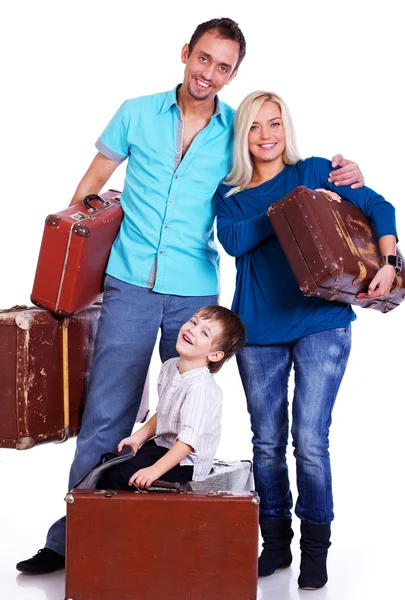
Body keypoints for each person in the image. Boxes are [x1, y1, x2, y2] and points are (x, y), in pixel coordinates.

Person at [16, 16, 364, 575]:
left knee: (187, 423)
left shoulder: (236, 133)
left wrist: (345, 174)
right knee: (108, 418)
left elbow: (276, 168)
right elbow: (88, 189)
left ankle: (159, 538)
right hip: (127, 285)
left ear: (232, 75)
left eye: (223, 67)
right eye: (203, 58)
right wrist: (69, 268)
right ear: (186, 53)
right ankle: (70, 540)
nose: (209, 73)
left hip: (195, 297)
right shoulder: (135, 111)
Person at [215, 91, 399, 590]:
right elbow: (234, 241)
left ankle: (316, 548)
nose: (267, 135)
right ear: (243, 136)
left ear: (286, 128)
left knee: (311, 442)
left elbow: (378, 205)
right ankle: (275, 542)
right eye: (255, 126)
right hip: (257, 331)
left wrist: (390, 262)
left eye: (275, 124)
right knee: (267, 443)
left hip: (322, 323)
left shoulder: (316, 170)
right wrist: (294, 205)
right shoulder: (229, 197)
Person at [95, 305, 246, 491]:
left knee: (123, 479)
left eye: (204, 333)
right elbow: (164, 412)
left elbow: (187, 443)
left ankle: (127, 518)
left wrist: (154, 470)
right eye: (193, 322)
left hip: (187, 462)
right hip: (162, 445)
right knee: (108, 467)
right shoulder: (170, 367)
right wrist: (137, 438)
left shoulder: (201, 388)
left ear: (214, 355)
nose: (192, 330)